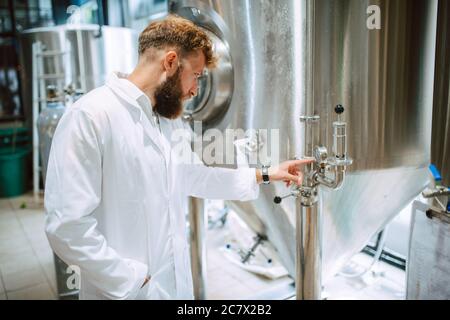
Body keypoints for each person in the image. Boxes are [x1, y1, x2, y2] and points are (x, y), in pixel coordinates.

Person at [45, 15, 312, 300]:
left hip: (173, 286)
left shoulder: (167, 120)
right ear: (170, 62)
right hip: (124, 291)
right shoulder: (90, 116)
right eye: (195, 75)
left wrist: (266, 174)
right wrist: (131, 278)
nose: (195, 90)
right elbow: (66, 224)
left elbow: (191, 176)